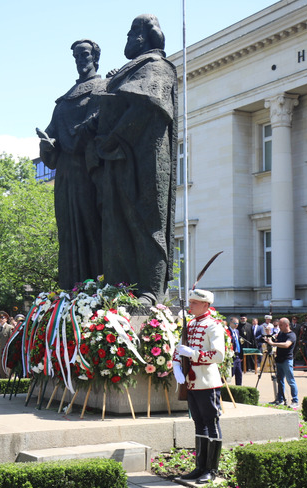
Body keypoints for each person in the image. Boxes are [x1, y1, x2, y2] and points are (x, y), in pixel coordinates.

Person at [94, 14, 177, 304]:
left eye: (130, 34)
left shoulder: (157, 65)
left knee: (147, 220)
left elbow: (146, 106)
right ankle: (121, 289)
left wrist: (113, 135)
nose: (127, 41)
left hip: (145, 157)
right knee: (117, 222)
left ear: (143, 36)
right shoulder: (129, 71)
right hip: (118, 158)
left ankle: (151, 293)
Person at [37, 39, 105, 290]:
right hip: (65, 174)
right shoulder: (64, 101)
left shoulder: (102, 88)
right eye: (76, 56)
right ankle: (70, 287)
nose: (80, 60)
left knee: (91, 227)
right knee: (68, 231)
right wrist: (47, 143)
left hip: (89, 172)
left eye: (84, 54)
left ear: (95, 57)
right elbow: (51, 134)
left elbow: (100, 128)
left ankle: (98, 287)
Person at [172, 289, 226, 483]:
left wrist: (193, 354)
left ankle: (211, 469)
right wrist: (177, 364)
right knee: (198, 424)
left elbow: (219, 355)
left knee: (211, 424)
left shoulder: (213, 326)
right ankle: (200, 466)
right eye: (190, 302)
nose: (190, 306)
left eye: (194, 303)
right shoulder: (191, 324)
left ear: (205, 305)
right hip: (192, 383)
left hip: (207, 383)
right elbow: (180, 347)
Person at [266, 317, 299, 408]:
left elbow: (286, 345)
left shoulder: (291, 335)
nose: (279, 327)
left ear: (286, 325)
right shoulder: (280, 333)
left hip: (287, 360)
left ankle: (295, 401)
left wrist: (273, 344)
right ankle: (280, 399)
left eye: (281, 325)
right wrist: (270, 337)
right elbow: (277, 341)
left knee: (290, 380)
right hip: (279, 359)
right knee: (280, 380)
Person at [228, 317, 243, 385]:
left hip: (237, 356)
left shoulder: (237, 331)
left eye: (237, 323)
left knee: (239, 374)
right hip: (231, 355)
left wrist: (241, 355)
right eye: (235, 323)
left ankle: (239, 387)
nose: (236, 325)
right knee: (231, 373)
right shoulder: (227, 331)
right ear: (230, 323)